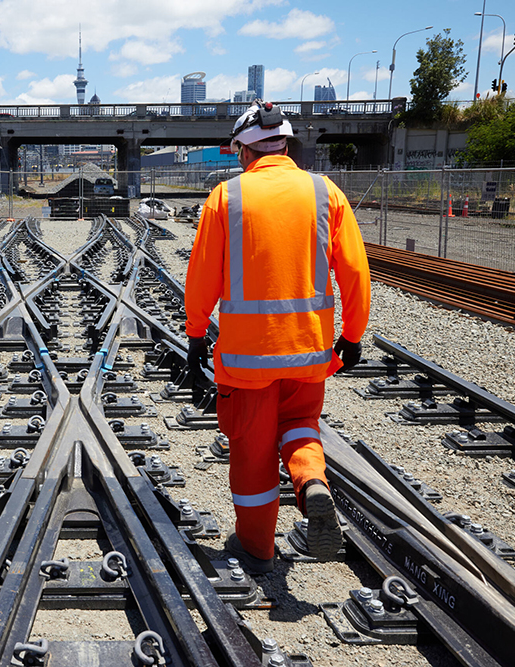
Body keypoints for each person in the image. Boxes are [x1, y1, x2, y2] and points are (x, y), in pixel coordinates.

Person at [184, 100, 371, 574]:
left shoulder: (226, 198)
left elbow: (202, 278)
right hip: (309, 354)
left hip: (247, 362)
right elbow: (355, 271)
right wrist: (352, 336)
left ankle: (257, 549)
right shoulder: (326, 192)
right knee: (301, 425)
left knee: (252, 453)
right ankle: (311, 482)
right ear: (285, 144)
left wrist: (194, 335)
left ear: (243, 152)